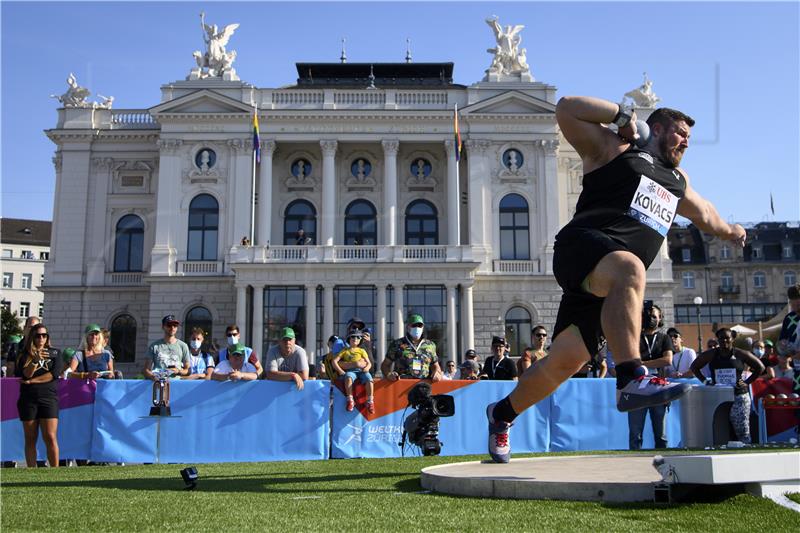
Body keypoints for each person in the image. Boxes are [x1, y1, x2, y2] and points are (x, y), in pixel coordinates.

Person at [485, 96, 746, 463]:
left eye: (689, 138)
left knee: (565, 362)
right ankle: (629, 378)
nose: (686, 142)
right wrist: (622, 116)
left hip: (609, 282)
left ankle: (501, 415)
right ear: (656, 129)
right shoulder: (615, 148)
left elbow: (706, 214)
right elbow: (566, 109)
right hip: (582, 247)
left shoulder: (676, 182)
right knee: (631, 267)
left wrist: (732, 230)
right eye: (679, 133)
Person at [690, 328, 765, 444]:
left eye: (727, 338)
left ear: (732, 339)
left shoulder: (740, 353)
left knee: (742, 431)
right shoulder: (711, 354)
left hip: (739, 396)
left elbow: (760, 367)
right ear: (717, 340)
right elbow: (694, 367)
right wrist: (705, 381)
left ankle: (746, 452)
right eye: (721, 338)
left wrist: (747, 382)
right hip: (718, 397)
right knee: (720, 429)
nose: (724, 340)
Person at [14, 323, 62, 467]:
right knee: (30, 438)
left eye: (44, 335)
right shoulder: (24, 354)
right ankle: (31, 470)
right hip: (28, 398)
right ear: (32, 337)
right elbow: (24, 374)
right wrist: (35, 360)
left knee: (50, 436)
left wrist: (32, 381)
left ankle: (55, 471)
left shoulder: (55, 353)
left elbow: (53, 375)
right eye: (38, 335)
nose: (41, 338)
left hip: (48, 397)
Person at [628, 303, 673, 450]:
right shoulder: (634, 337)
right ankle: (634, 462)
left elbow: (667, 360)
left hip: (658, 387)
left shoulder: (665, 338)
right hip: (636, 388)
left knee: (661, 433)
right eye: (647, 315)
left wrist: (642, 363)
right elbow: (629, 360)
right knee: (635, 432)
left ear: (660, 318)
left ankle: (663, 460)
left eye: (654, 316)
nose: (650, 319)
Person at [381, 314, 441, 382]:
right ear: (408, 327)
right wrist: (389, 374)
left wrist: (437, 373)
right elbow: (385, 365)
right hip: (402, 384)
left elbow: (435, 365)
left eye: (419, 325)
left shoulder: (430, 345)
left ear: (423, 327)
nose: (417, 328)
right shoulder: (397, 344)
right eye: (414, 325)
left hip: (424, 385)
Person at [331, 330, 374, 413]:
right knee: (348, 377)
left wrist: (367, 368)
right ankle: (350, 399)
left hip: (362, 370)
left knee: (369, 378)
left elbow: (369, 363)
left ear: (360, 340)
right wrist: (340, 370)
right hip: (351, 371)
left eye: (358, 337)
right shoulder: (345, 350)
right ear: (348, 339)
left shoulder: (361, 350)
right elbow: (334, 361)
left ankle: (370, 401)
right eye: (353, 337)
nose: (355, 339)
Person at [143, 315, 190, 381]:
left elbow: (188, 370)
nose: (172, 327)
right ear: (163, 327)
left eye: (175, 325)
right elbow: (146, 370)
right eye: (169, 325)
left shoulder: (183, 346)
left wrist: (178, 371)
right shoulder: (154, 346)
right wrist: (153, 377)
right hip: (159, 384)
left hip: (177, 384)